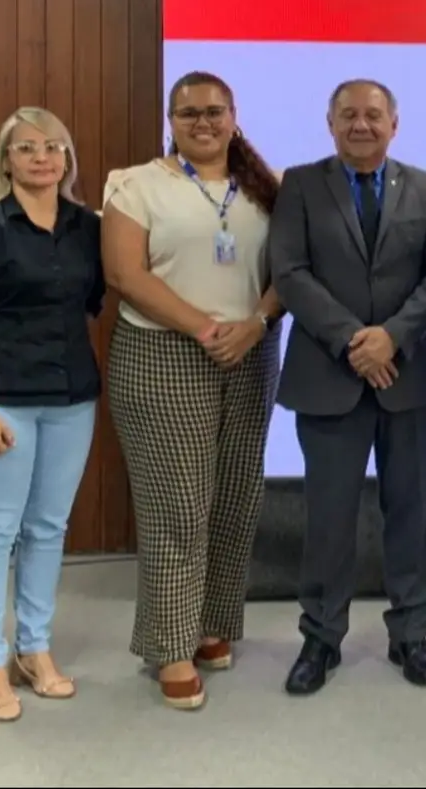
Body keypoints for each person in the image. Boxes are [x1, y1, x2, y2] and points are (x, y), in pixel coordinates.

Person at [102, 71, 284, 710]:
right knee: (176, 506)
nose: (202, 123)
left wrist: (255, 323)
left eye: (214, 111)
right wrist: (206, 329)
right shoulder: (136, 185)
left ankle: (211, 625)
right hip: (163, 352)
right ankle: (170, 647)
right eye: (188, 113)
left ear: (234, 117)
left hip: (251, 352)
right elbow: (125, 273)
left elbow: (292, 271)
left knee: (236, 498)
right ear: (171, 120)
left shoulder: (268, 187)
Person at [272, 79, 426, 695]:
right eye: (348, 114)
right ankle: (320, 638)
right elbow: (289, 272)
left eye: (373, 115)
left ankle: (412, 634)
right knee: (328, 516)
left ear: (393, 124)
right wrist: (356, 340)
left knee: (413, 512)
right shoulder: (301, 185)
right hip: (329, 376)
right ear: (330, 124)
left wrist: (393, 338)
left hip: (408, 376)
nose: (361, 125)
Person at [0, 107, 104, 723]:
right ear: (6, 160)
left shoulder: (89, 228)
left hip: (71, 401)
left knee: (47, 529)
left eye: (54, 146)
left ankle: (33, 650)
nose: (42, 157)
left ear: (68, 160)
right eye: (27, 147)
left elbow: (93, 301)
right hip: (1, 401)